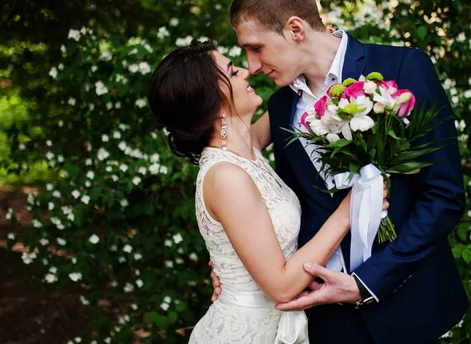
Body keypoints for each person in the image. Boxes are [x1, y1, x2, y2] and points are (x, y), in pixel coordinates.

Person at [210, 0, 469, 343]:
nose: (252, 66)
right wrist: (234, 263)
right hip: (325, 317)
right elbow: (284, 204)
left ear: (296, 29)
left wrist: (367, 282)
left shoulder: (403, 69)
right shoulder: (281, 107)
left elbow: (444, 197)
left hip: (409, 307)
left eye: (256, 47)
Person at [147, 40, 389, 343]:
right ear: (213, 100)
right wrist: (347, 212)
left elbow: (299, 100)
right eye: (233, 72)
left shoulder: (246, 149)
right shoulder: (225, 177)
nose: (247, 72)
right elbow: (282, 287)